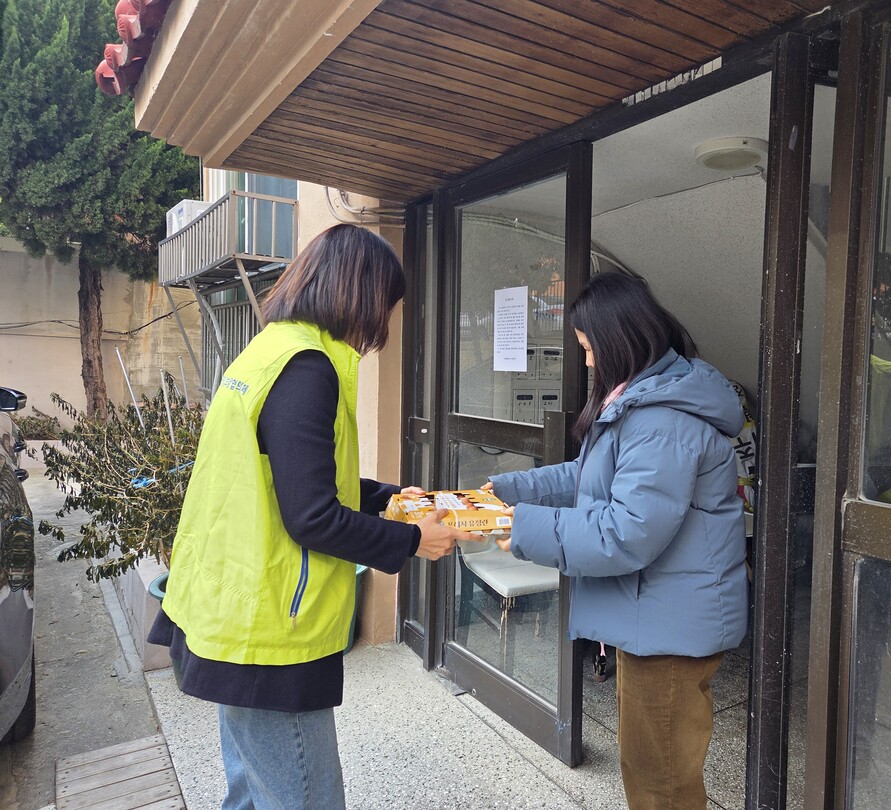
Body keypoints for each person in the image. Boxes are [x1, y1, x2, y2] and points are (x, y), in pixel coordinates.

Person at [149, 224, 476, 810]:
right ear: (362, 293)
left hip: (236, 610)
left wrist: (394, 496)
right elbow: (313, 517)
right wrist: (411, 540)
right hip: (271, 630)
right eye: (388, 306)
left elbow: (299, 482)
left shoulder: (271, 350)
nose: (384, 324)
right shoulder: (307, 369)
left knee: (252, 793)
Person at [484, 271, 749, 810]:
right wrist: (504, 492)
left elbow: (626, 533)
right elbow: (583, 477)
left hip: (668, 630)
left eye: (587, 348)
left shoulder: (661, 421)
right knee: (651, 772)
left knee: (661, 787)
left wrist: (524, 528)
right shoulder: (641, 401)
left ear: (619, 339)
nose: (585, 362)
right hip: (653, 619)